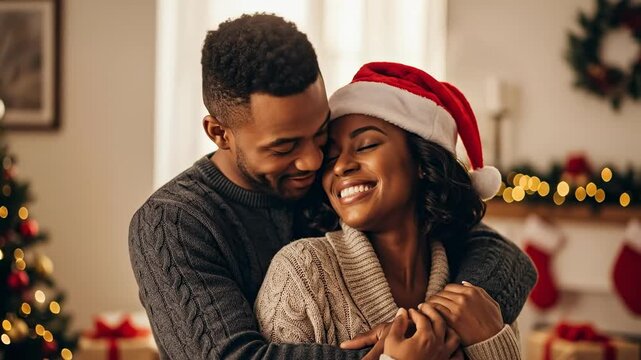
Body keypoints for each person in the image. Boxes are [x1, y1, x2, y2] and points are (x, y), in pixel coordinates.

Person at [129, 14, 536, 359]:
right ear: (220, 133)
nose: (312, 161)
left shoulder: (331, 180)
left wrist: (453, 319)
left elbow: (503, 256)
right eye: (284, 146)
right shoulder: (173, 222)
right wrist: (394, 349)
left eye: (319, 133)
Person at [255, 62, 523, 360]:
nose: (341, 165)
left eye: (366, 145)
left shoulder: (476, 292)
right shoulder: (301, 273)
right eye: (330, 156)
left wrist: (491, 341)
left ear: (422, 163)